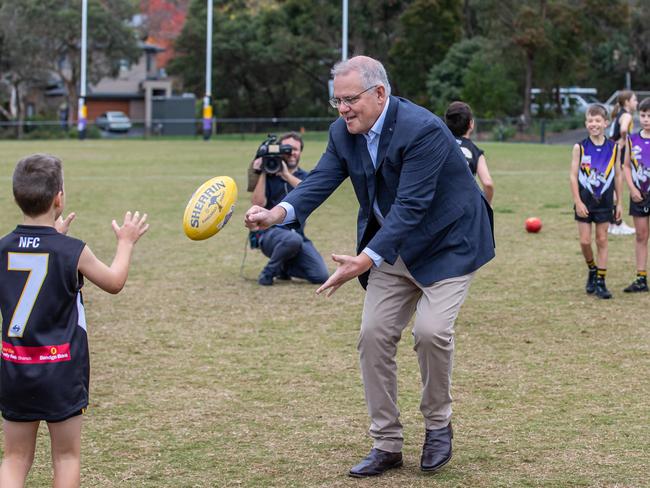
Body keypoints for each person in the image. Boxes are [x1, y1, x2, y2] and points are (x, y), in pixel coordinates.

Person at [244, 56, 495, 477]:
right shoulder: (343, 133)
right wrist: (277, 214)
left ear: (380, 94)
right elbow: (321, 180)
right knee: (373, 335)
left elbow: (411, 207)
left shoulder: (424, 130)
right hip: (391, 248)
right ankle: (387, 442)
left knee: (431, 332)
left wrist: (363, 260)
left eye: (350, 100)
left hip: (449, 243)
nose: (343, 109)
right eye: (336, 101)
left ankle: (437, 426)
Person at [0, 154, 149, 487]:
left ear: (16, 197)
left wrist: (50, 238)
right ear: (59, 198)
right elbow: (114, 282)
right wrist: (125, 243)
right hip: (61, 371)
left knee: (14, 458)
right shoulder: (71, 250)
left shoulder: (3, 248)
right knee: (66, 457)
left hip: (14, 368)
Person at [249, 131, 329, 286]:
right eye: (287, 148)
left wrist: (286, 175)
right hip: (269, 234)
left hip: (298, 235)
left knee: (321, 275)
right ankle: (269, 272)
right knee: (292, 239)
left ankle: (282, 267)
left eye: (295, 149)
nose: (292, 153)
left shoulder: (306, 177)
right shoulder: (269, 175)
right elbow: (257, 203)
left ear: (301, 152)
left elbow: (310, 195)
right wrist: (263, 173)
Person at [569, 104, 622, 299]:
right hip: (584, 202)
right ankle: (592, 268)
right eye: (590, 120)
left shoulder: (613, 148)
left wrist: (620, 203)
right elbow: (573, 176)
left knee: (602, 240)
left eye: (598, 120)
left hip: (605, 203)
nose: (594, 124)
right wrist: (577, 201)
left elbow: (618, 176)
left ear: (606, 123)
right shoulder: (580, 147)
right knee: (584, 241)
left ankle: (601, 281)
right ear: (586, 123)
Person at [622, 97, 650, 292]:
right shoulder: (632, 139)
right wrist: (632, 189)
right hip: (639, 195)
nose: (646, 119)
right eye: (643, 115)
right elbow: (625, 166)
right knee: (641, 235)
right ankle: (641, 278)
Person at [444, 101, 494, 204]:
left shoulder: (439, 145)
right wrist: (487, 205)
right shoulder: (475, 151)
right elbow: (488, 183)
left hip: (440, 205)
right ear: (471, 124)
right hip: (464, 206)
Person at [608, 90, 638, 235]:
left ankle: (611, 223)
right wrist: (624, 140)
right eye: (634, 100)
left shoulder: (619, 114)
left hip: (612, 152)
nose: (636, 102)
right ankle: (617, 224)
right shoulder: (626, 115)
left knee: (613, 189)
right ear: (627, 102)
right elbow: (624, 130)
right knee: (616, 190)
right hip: (619, 153)